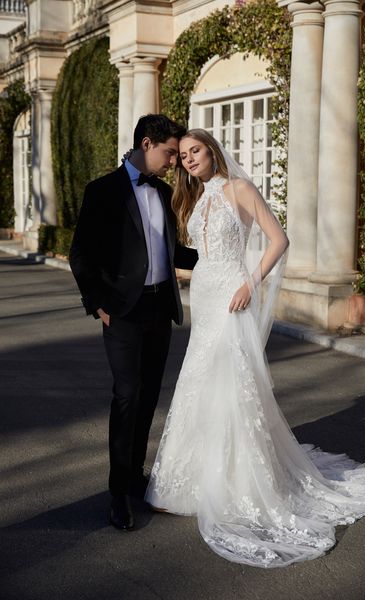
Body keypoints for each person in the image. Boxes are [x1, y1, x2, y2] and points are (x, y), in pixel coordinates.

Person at [145, 129, 365, 568]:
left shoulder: (239, 188)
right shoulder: (199, 196)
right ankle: (185, 484)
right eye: (182, 155)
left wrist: (250, 283)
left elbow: (278, 240)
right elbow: (199, 255)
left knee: (230, 384)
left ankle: (237, 483)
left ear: (212, 151)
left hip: (232, 296)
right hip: (204, 296)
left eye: (195, 151)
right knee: (198, 383)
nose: (188, 159)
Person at [69, 114, 198, 531]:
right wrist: (98, 304)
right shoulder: (102, 191)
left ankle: (134, 473)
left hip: (160, 308)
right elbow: (81, 256)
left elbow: (175, 253)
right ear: (147, 144)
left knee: (146, 397)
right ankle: (117, 493)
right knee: (126, 395)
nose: (174, 162)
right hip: (122, 311)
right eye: (169, 153)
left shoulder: (161, 192)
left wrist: (221, 255)